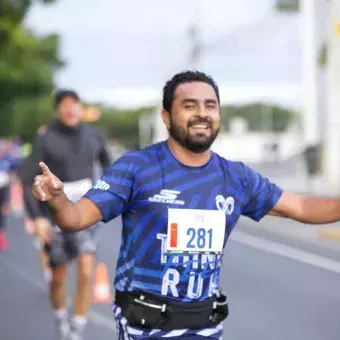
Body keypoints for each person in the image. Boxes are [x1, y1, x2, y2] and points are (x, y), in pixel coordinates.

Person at [32, 71, 340, 339]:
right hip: (144, 326)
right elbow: (74, 218)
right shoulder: (137, 168)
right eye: (188, 105)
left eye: (210, 105)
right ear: (166, 116)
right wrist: (58, 198)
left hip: (204, 325)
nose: (201, 113)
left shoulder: (236, 177)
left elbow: (300, 206)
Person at [22, 89, 111, 340]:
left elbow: (110, 168)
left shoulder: (94, 135)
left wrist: (108, 197)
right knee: (59, 276)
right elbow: (27, 179)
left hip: (85, 209)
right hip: (55, 212)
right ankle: (60, 318)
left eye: (75, 104)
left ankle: (77, 328)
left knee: (86, 269)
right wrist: (37, 217)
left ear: (81, 108)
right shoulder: (46, 138)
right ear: (58, 109)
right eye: (65, 105)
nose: (71, 109)